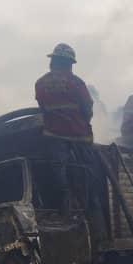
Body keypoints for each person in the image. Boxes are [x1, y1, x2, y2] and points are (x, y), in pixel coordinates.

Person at [34, 43, 94, 217]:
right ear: (69, 63)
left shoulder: (40, 83)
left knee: (57, 171)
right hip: (79, 136)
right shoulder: (76, 82)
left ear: (53, 61)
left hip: (53, 136)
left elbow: (43, 108)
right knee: (88, 172)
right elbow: (88, 108)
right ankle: (86, 208)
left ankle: (63, 204)